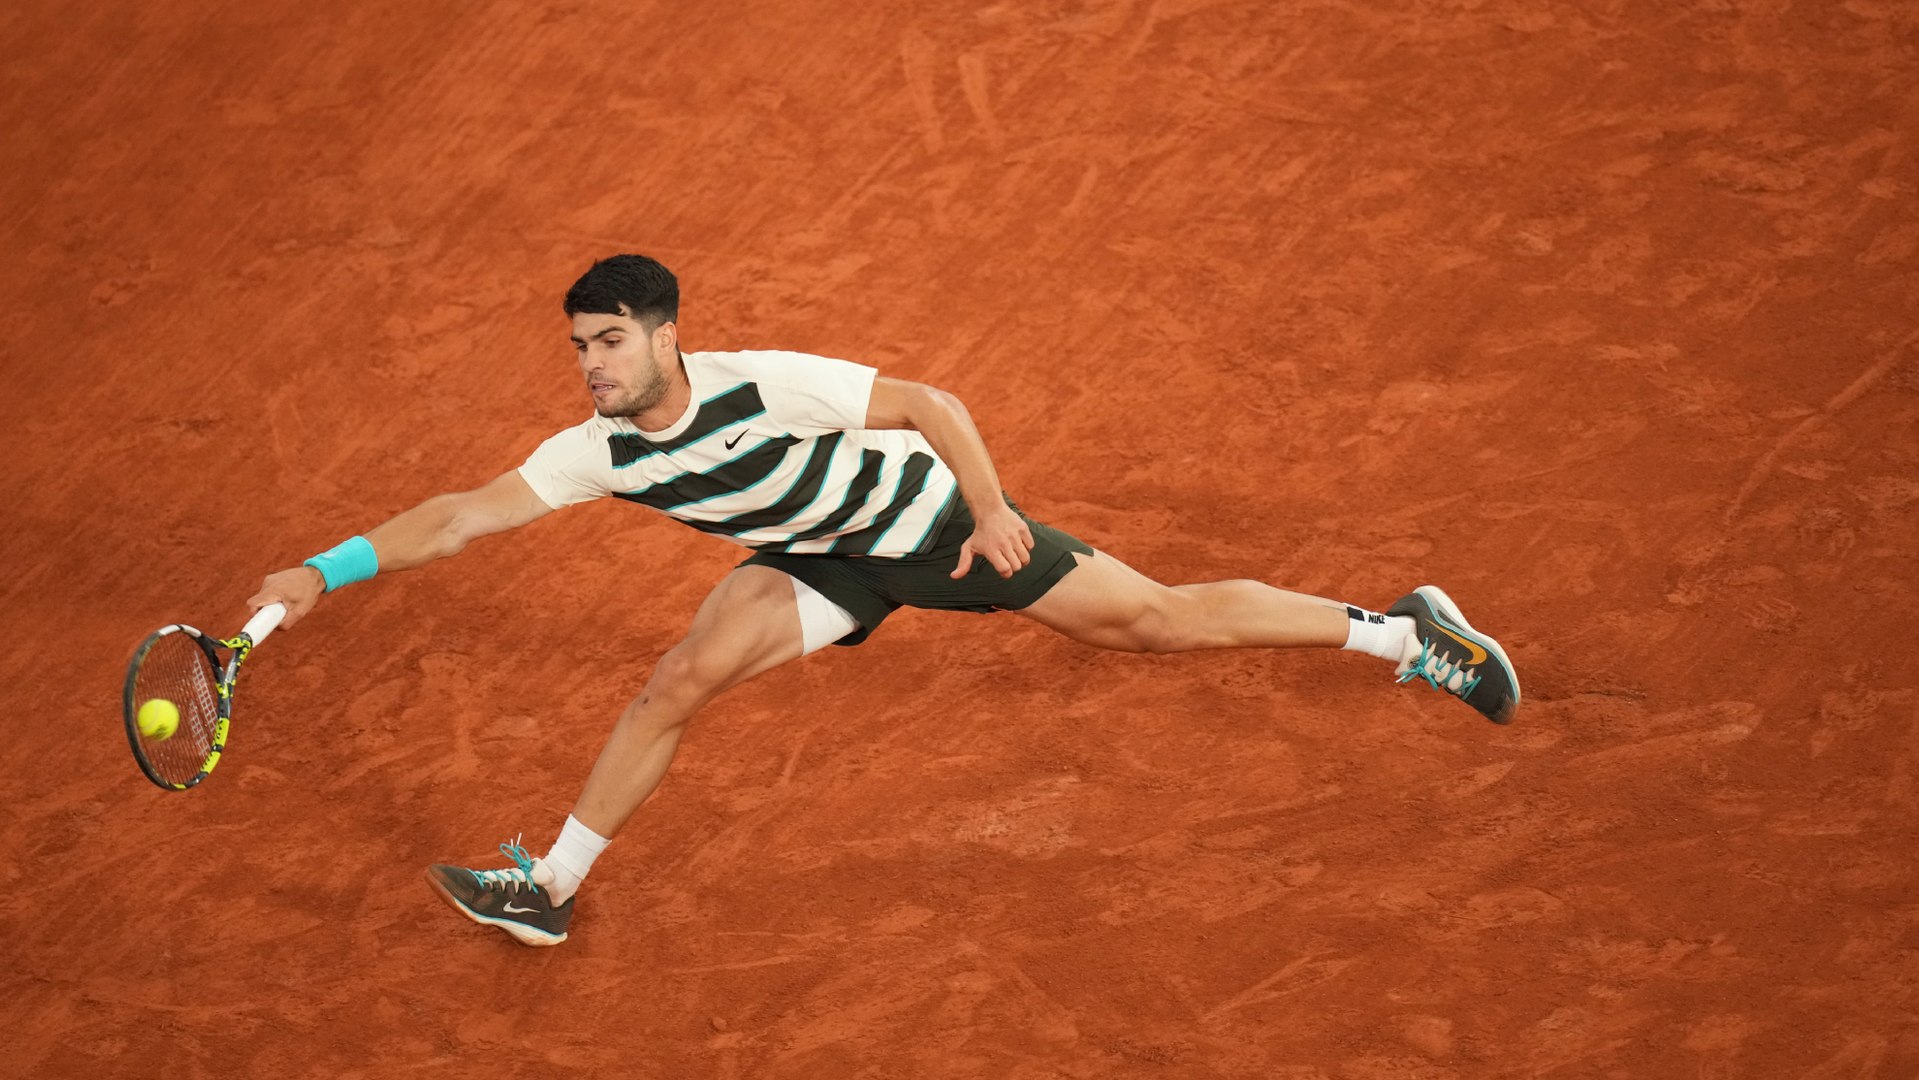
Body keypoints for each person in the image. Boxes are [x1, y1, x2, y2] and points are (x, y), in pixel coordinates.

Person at [247, 254, 1521, 947]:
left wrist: (989, 508)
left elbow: (928, 403)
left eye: (610, 344)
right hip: (816, 561)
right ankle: (555, 885)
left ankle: (1407, 631)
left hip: (933, 530)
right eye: (579, 349)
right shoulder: (603, 453)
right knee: (678, 677)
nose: (591, 369)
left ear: (667, 335)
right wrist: (322, 569)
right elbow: (460, 515)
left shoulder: (763, 382)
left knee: (1160, 624)